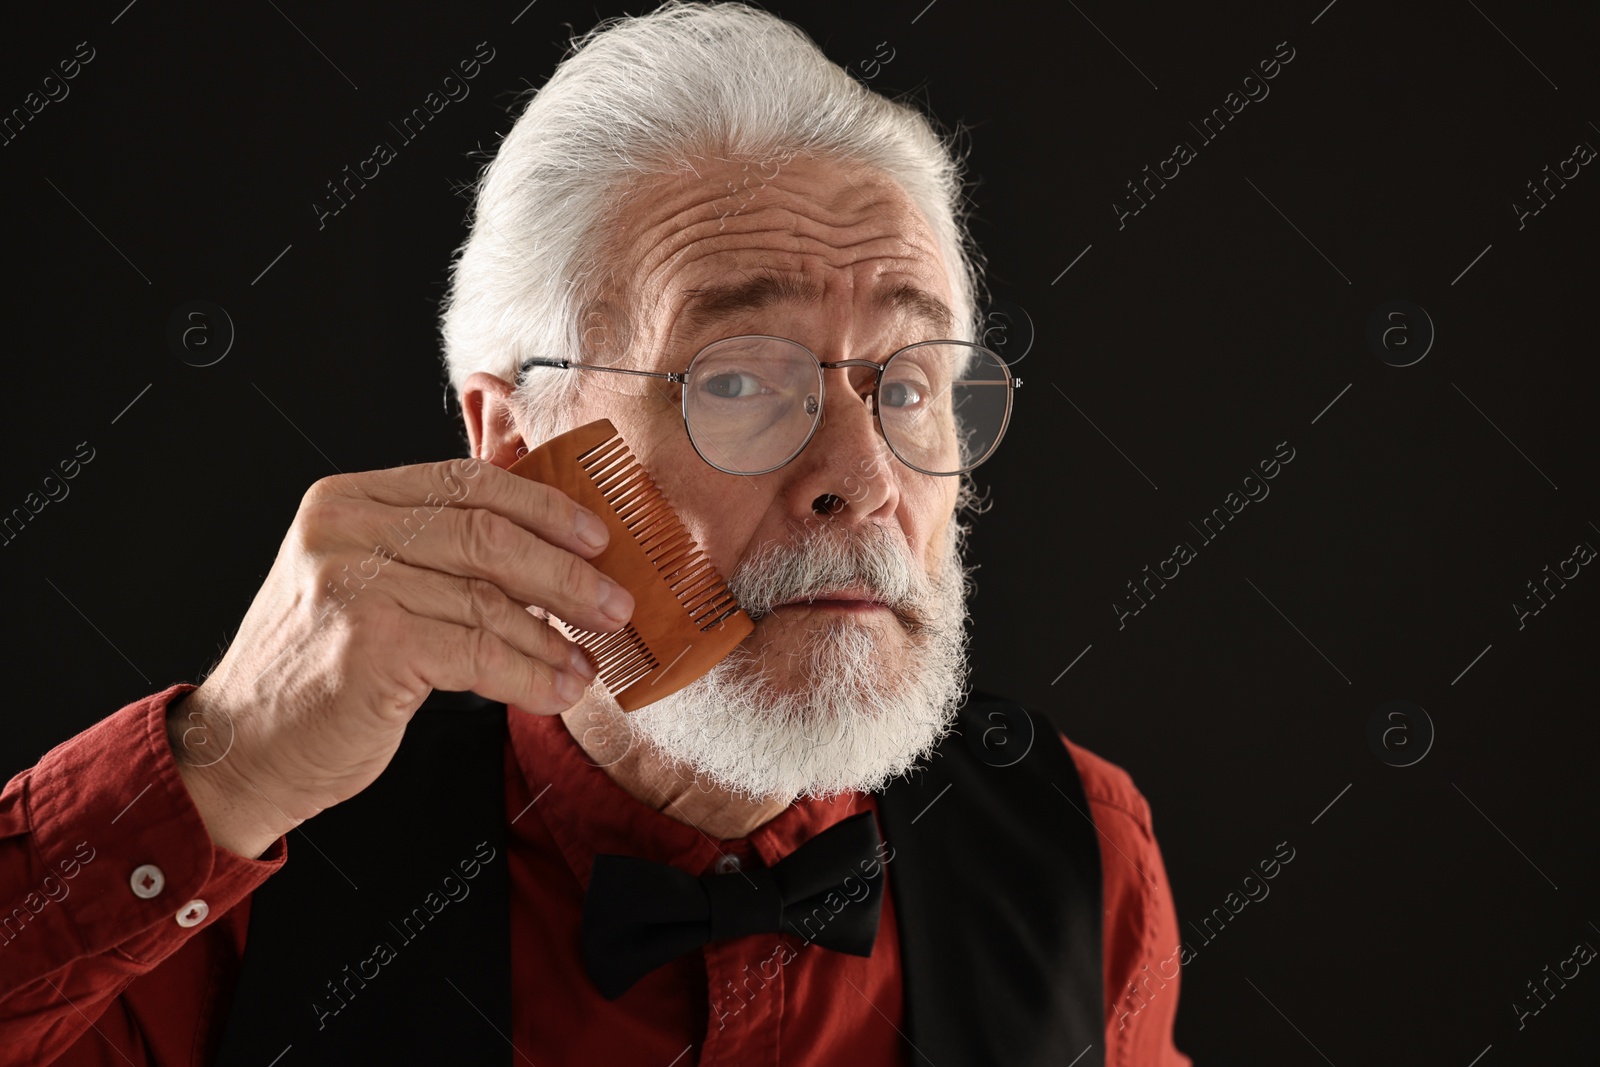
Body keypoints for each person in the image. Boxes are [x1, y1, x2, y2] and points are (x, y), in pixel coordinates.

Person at [0, 2, 1189, 1064]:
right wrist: (227, 763)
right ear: (517, 440)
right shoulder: (239, 892)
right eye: (736, 381)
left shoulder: (1083, 855)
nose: (862, 479)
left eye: (909, 384)